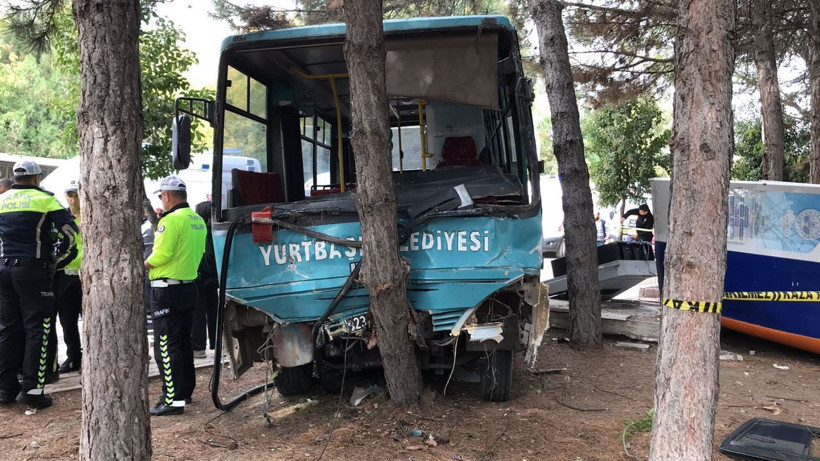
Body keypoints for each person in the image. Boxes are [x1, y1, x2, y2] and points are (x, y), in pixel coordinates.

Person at [0, 161, 78, 409]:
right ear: (36, 179)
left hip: (3, 269)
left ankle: (5, 389)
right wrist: (55, 260)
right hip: (33, 270)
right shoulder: (46, 200)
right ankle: (33, 391)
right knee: (39, 329)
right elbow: (70, 234)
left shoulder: (2, 200)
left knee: (7, 328)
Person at [144, 175, 206, 416]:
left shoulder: (170, 221)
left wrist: (143, 264)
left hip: (165, 290)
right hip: (188, 286)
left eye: (161, 196)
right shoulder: (197, 219)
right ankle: (184, 391)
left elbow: (161, 255)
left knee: (165, 345)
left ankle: (172, 399)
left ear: (167, 196)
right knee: (182, 342)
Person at [54, 181, 83, 373]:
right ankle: (73, 357)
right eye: (69, 195)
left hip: (86, 274)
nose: (72, 199)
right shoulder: (62, 218)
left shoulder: (92, 216)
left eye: (76, 195)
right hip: (65, 274)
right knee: (67, 319)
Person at [192, 201, 217, 359]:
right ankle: (216, 343)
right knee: (215, 312)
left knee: (198, 314)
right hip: (215, 278)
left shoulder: (197, 232)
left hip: (199, 277)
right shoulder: (215, 232)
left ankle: (199, 347)